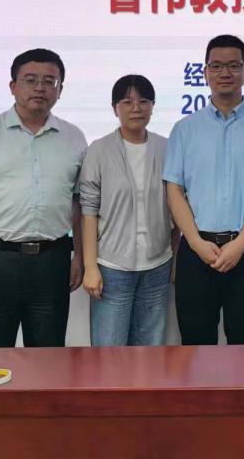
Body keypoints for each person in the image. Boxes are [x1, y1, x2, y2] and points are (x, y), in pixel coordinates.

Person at [0, 48, 87, 347]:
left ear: (60, 89)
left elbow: (78, 203)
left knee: (48, 354)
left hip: (52, 260)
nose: (40, 88)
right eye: (30, 80)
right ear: (13, 86)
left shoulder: (74, 138)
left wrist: (80, 256)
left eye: (50, 81)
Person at [163, 34, 244, 345]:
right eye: (217, 66)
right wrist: (195, 242)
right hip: (196, 252)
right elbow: (174, 191)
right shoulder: (185, 129)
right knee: (195, 348)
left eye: (234, 65)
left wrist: (241, 244)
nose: (225, 73)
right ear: (205, 72)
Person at [80, 75, 176, 346]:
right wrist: (90, 267)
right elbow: (88, 212)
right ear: (115, 108)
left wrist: (176, 256)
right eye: (127, 102)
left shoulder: (167, 148)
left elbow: (178, 206)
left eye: (144, 101)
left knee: (150, 348)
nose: (136, 108)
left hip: (157, 264)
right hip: (112, 267)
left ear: (153, 106)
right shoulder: (99, 150)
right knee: (109, 350)